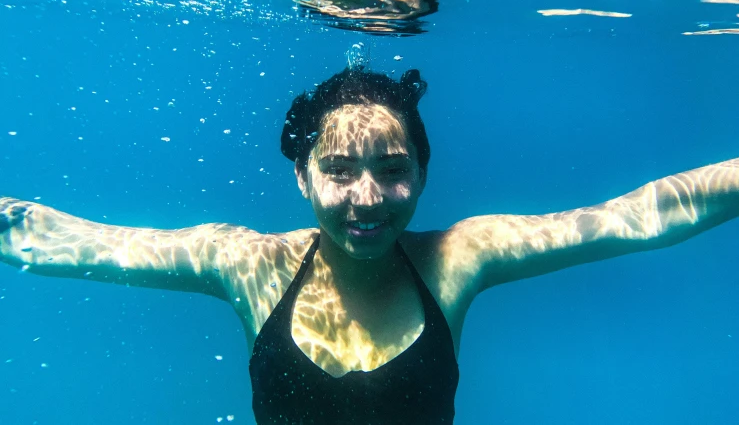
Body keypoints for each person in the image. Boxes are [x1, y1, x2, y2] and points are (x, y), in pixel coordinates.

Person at [1, 67, 738, 424]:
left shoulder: (459, 257)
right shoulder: (245, 261)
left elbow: (637, 215)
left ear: (421, 175)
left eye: (391, 172)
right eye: (339, 170)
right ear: (302, 176)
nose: (365, 200)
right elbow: (65, 241)